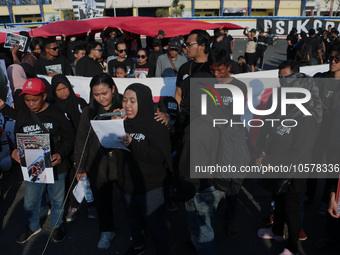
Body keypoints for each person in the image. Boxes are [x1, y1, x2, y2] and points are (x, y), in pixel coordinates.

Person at [257, 60, 322, 255]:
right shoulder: (284, 103)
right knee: (279, 198)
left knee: (292, 205)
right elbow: (271, 128)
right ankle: (277, 231)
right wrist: (263, 149)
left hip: (295, 168)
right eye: (279, 78)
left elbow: (299, 153)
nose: (282, 83)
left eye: (286, 79)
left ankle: (292, 246)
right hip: (276, 163)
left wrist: (267, 161)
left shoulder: (308, 116)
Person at [9, 78, 75, 244]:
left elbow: (70, 137)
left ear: (44, 96)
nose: (30, 103)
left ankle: (57, 225)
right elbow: (18, 137)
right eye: (27, 100)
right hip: (33, 164)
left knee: (57, 200)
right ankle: (32, 226)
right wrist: (16, 151)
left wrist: (61, 153)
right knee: (30, 200)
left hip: (57, 165)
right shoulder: (23, 114)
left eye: (34, 100)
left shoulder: (57, 113)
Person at [115, 83, 171, 255]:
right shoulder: (121, 122)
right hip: (127, 184)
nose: (127, 105)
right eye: (125, 100)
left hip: (150, 186)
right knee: (133, 220)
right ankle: (138, 245)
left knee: (155, 223)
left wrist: (133, 144)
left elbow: (158, 157)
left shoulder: (157, 124)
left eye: (133, 101)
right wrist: (113, 127)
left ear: (145, 101)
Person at [73, 73, 121, 250]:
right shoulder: (88, 111)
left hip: (123, 163)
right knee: (102, 200)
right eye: (96, 94)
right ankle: (107, 230)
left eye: (105, 93)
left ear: (113, 89)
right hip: (98, 163)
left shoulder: (126, 105)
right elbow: (81, 140)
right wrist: (80, 167)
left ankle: (138, 231)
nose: (101, 98)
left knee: (132, 199)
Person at [174, 29, 210, 106]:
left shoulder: (213, 68)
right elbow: (178, 94)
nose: (186, 47)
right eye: (186, 44)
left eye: (189, 44)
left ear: (201, 46)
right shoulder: (184, 67)